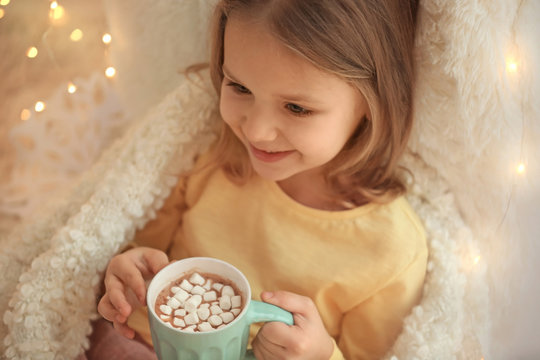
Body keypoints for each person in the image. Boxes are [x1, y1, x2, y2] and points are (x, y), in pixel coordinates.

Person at [93, 0, 427, 359]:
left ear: (372, 103)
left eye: (297, 108)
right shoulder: (206, 156)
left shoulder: (391, 250)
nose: (256, 131)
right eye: (239, 87)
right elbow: (141, 256)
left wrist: (322, 355)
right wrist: (125, 271)